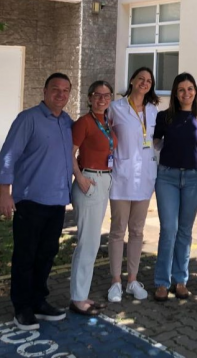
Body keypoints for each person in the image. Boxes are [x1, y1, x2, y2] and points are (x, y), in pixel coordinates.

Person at [0, 72, 74, 330]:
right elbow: (8, 156)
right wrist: (4, 192)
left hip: (57, 202)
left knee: (47, 254)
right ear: (44, 91)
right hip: (30, 201)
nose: (60, 94)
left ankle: (39, 301)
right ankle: (22, 307)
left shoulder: (66, 122)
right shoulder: (28, 119)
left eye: (65, 90)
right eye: (55, 89)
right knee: (25, 256)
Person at [153, 73, 197, 302]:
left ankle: (180, 280)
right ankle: (162, 282)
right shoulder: (164, 116)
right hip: (167, 177)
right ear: (175, 93)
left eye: (190, 89)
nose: (186, 93)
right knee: (169, 228)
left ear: (195, 91)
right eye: (181, 89)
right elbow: (155, 143)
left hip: (193, 179)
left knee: (185, 231)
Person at [107, 67, 159, 302]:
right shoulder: (116, 108)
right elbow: (105, 134)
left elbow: (156, 142)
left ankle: (132, 280)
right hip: (121, 176)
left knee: (137, 231)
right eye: (141, 79)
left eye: (149, 80)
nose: (144, 83)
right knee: (118, 230)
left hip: (145, 178)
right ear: (131, 81)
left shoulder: (153, 111)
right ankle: (115, 282)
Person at [69, 81, 117, 316]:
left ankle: (82, 294)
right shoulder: (84, 122)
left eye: (106, 95)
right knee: (88, 243)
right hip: (89, 182)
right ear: (89, 97)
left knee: (92, 241)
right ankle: (78, 299)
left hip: (104, 180)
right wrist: (79, 177)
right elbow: (69, 153)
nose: (102, 99)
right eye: (97, 95)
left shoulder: (107, 122)